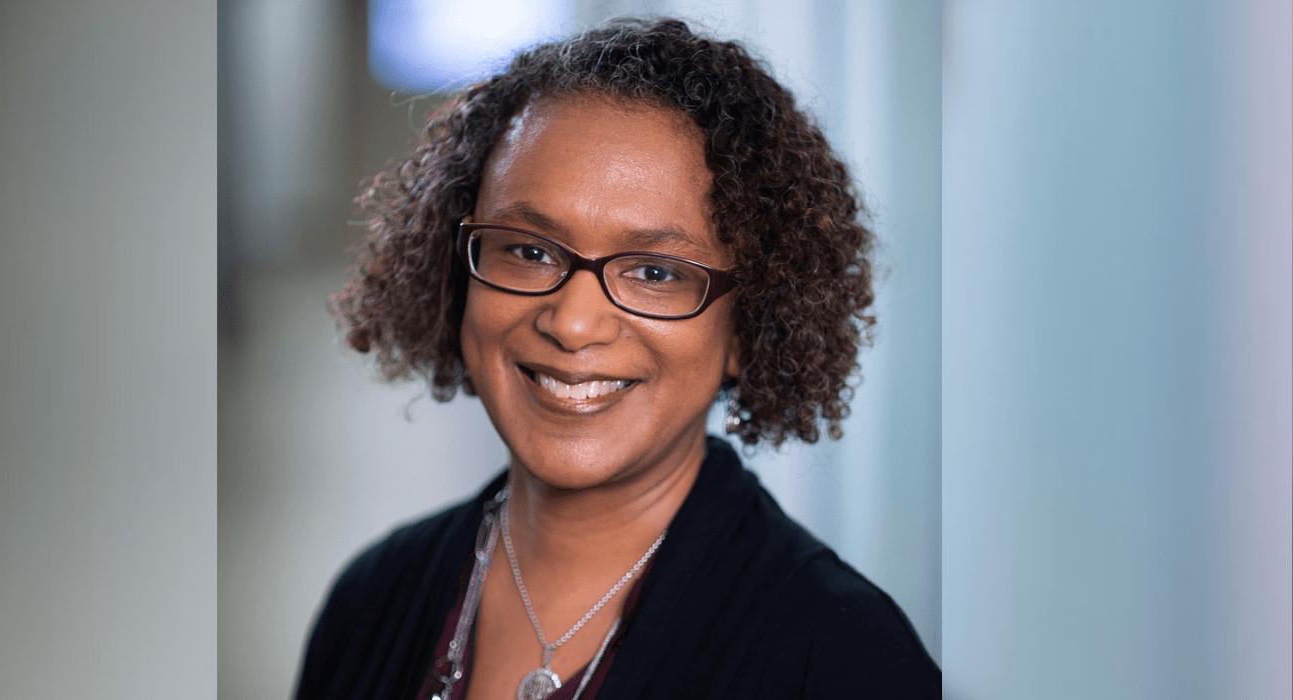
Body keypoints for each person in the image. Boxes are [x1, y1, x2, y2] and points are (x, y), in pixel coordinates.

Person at [298, 17, 940, 700]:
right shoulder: (372, 597)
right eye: (528, 250)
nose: (572, 322)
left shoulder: (847, 660)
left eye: (655, 272)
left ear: (749, 327)